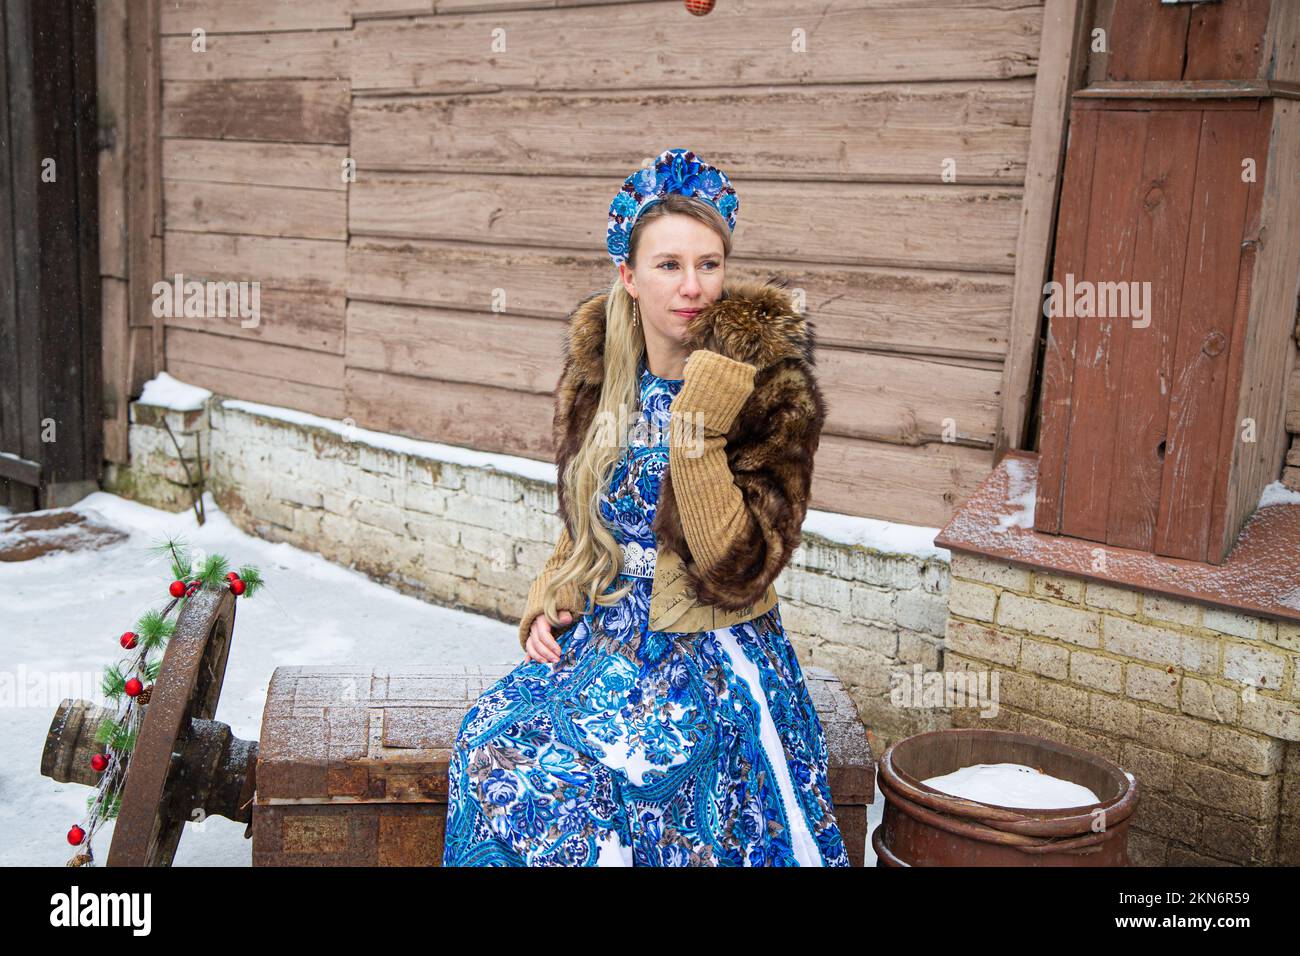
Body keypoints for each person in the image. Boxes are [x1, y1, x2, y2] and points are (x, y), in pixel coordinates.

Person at [442, 147, 850, 866]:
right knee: (489, 746)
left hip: (710, 650)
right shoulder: (602, 380)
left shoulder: (770, 390)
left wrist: (699, 426)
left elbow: (738, 566)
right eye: (668, 265)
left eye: (709, 263)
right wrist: (553, 593)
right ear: (628, 277)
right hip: (605, 638)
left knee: (646, 784)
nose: (693, 286)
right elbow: (585, 525)